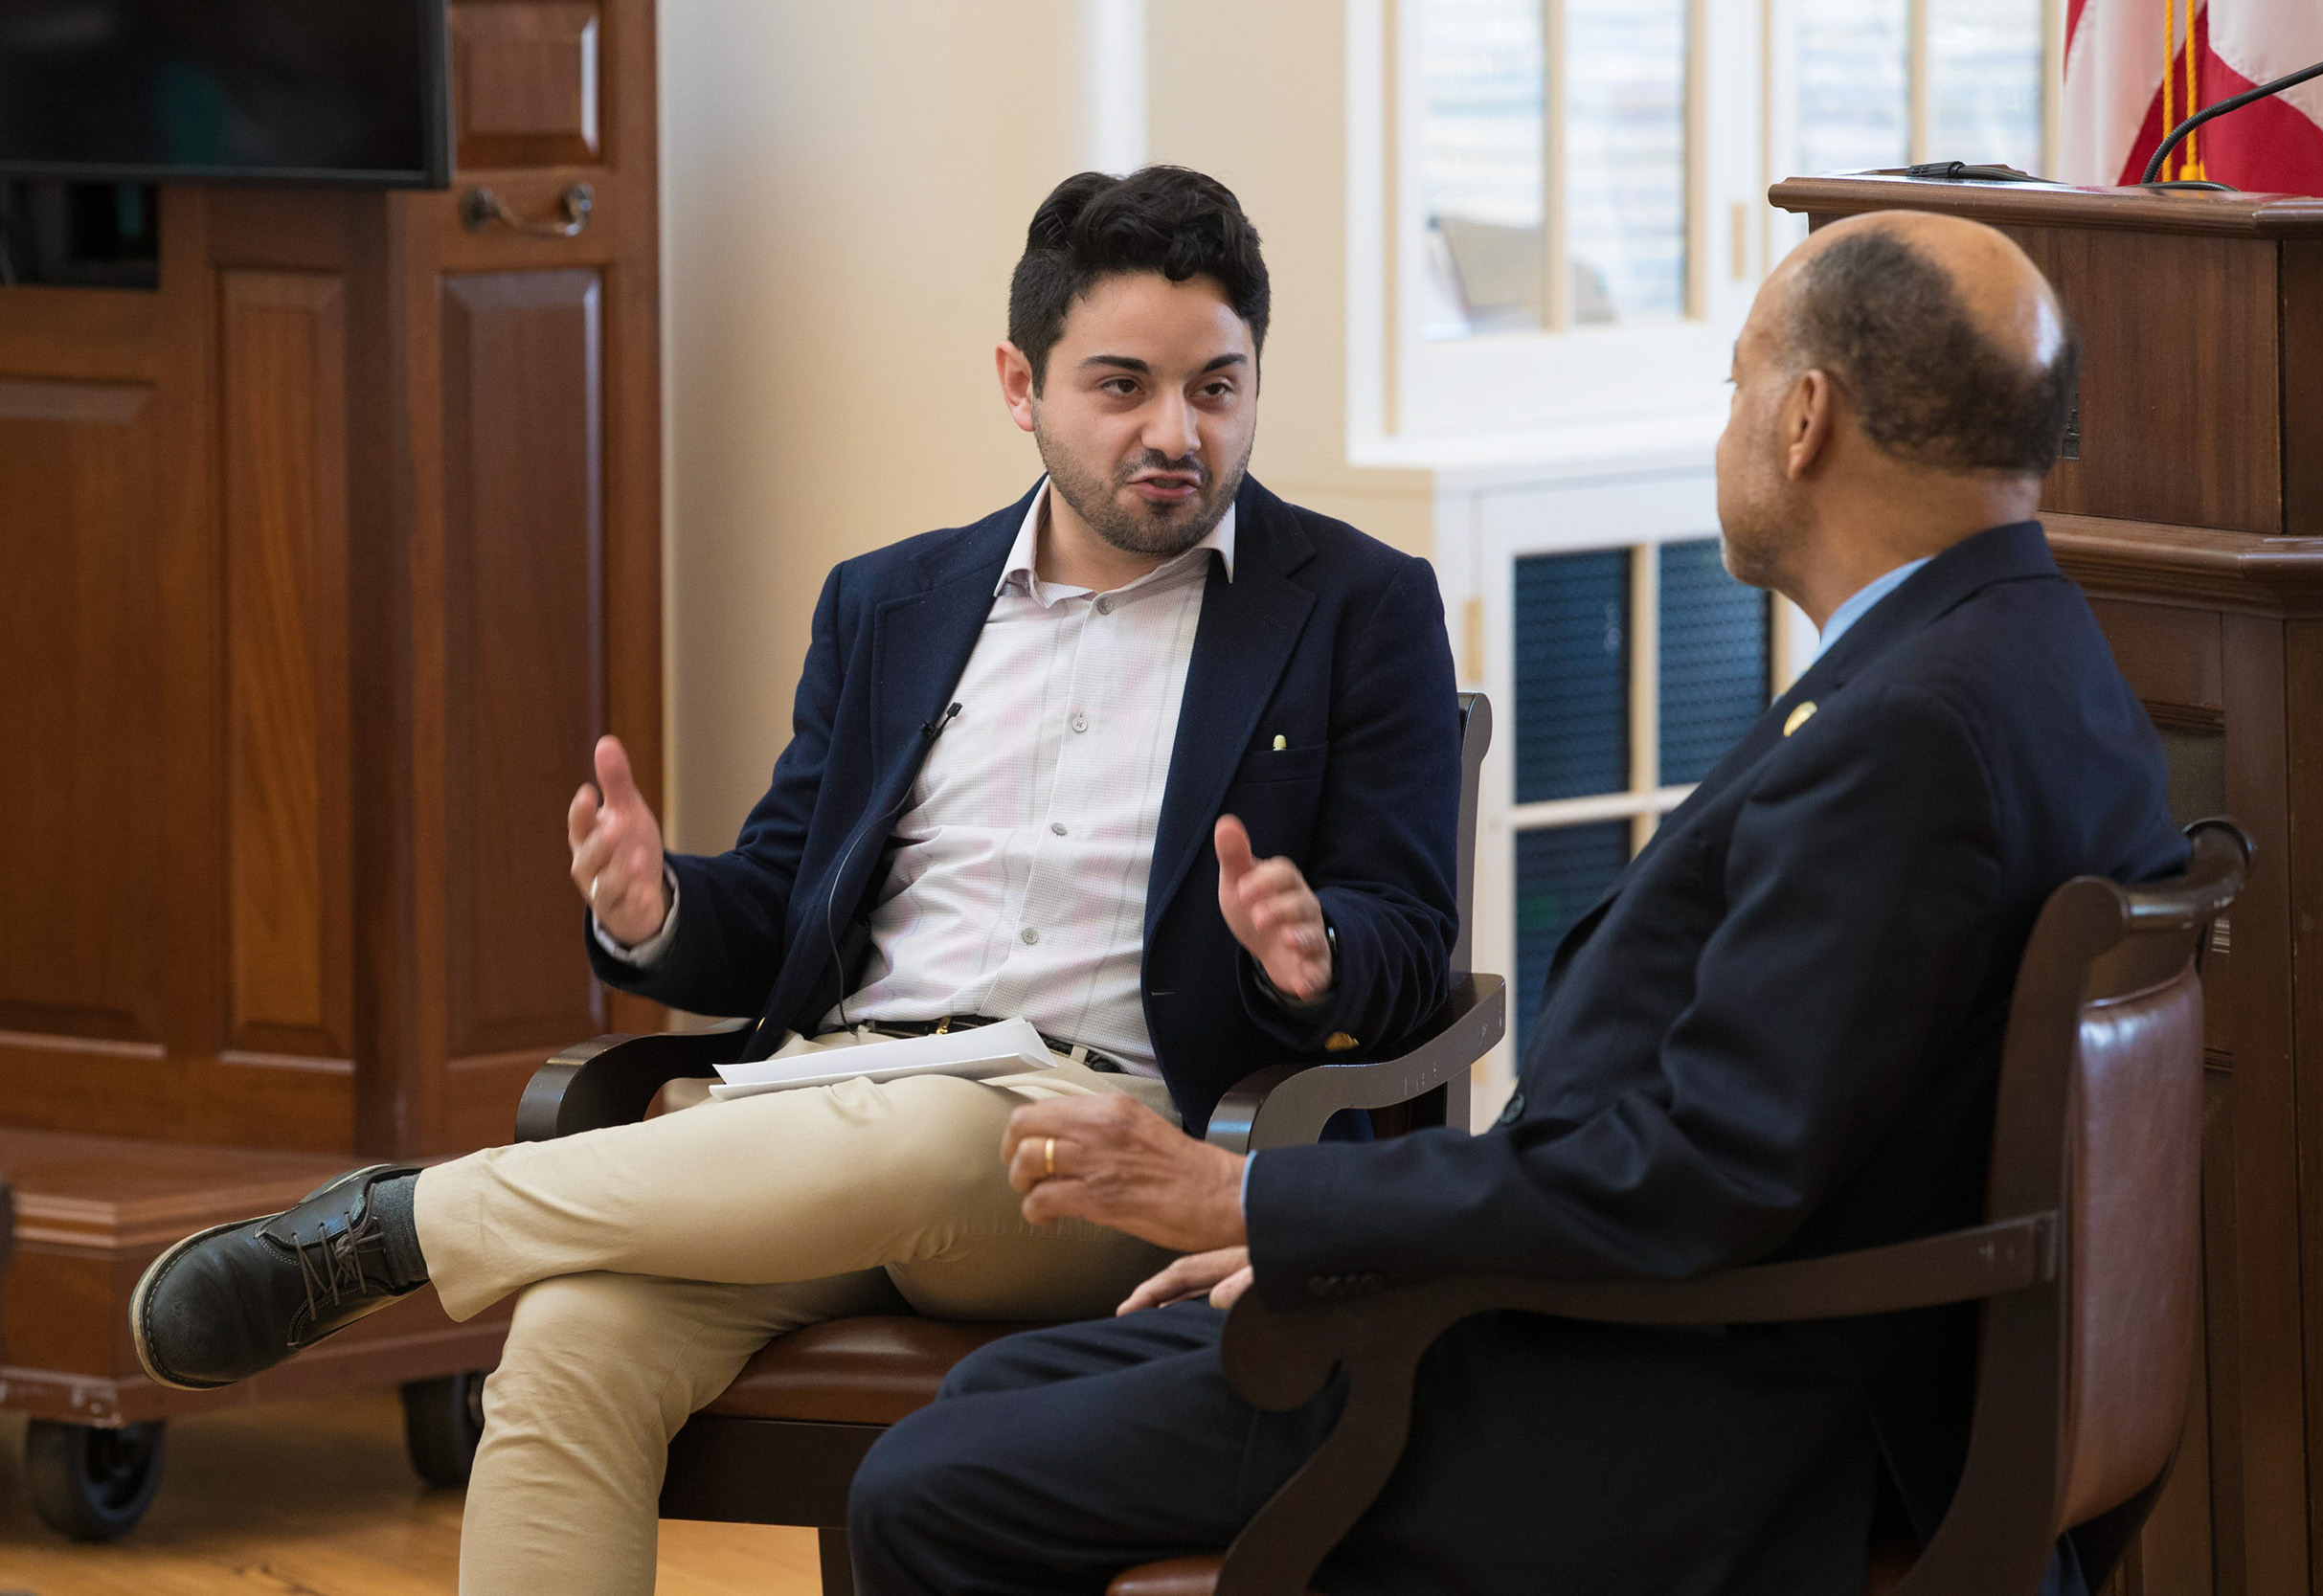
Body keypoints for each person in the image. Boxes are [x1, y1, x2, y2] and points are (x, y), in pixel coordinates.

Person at [126, 166, 1461, 1596]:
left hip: (1098, 1147)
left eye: (1218, 387)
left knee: (921, 1141)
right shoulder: (890, 601)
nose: (1175, 433)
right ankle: (406, 1237)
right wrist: (655, 913)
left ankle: (394, 1233)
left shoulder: (1356, 606)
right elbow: (776, 910)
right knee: (573, 1339)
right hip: (820, 1108)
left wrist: (1311, 946)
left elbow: (1410, 936)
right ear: (1022, 382)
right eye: (1123, 386)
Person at [844, 210, 2188, 1596]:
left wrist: (1259, 1198)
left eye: (1732, 385)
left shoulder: (1912, 735)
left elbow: (1695, 1176)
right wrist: (1333, 1241)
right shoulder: (2026, 656)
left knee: (927, 1488)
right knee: (999, 1391)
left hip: (1675, 1414)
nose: (1723, 425)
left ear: (1802, 420)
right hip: (1667, 1334)